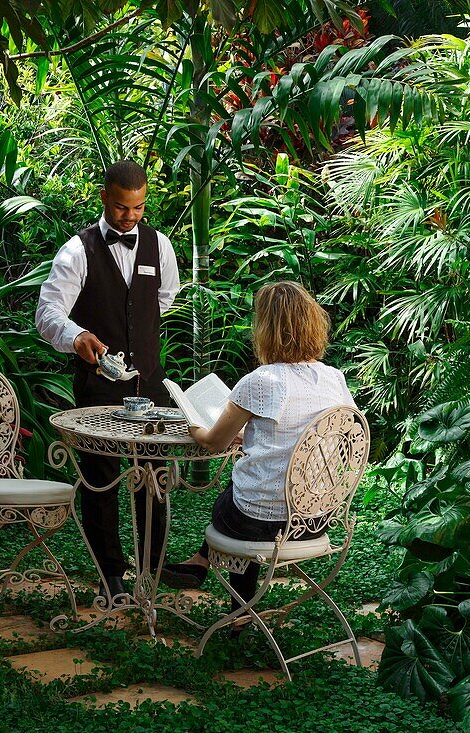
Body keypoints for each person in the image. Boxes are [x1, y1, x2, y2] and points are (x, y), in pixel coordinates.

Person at [159, 281, 356, 607]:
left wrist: (194, 424)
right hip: (315, 519)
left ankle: (214, 580)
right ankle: (208, 575)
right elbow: (338, 433)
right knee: (246, 491)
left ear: (264, 328)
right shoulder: (334, 378)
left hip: (263, 525)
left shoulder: (261, 382)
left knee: (235, 498)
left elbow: (212, 442)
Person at [35, 160, 180, 600]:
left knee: (155, 477)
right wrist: (76, 335)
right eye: (121, 208)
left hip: (149, 384)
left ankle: (150, 570)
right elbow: (46, 314)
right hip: (98, 384)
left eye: (137, 208)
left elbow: (163, 300)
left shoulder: (161, 246)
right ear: (104, 197)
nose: (129, 217)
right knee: (102, 479)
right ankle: (110, 575)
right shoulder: (77, 251)